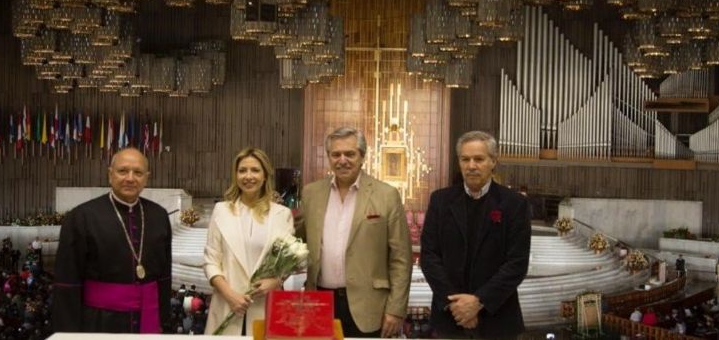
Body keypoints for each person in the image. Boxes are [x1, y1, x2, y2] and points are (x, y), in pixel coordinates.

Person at [297, 127, 412, 338]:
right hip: (320, 301)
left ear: (362, 157)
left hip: (369, 306)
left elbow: (401, 258)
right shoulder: (311, 193)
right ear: (329, 158)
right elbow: (296, 241)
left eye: (350, 154)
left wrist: (396, 309)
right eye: (336, 154)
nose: (342, 160)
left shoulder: (386, 195)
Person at [420, 131, 531, 339]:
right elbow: (429, 257)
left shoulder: (515, 204)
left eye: (479, 159)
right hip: (449, 319)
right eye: (465, 159)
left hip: (497, 318)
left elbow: (517, 263)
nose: (471, 165)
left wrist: (478, 301)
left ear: (493, 161)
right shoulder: (440, 201)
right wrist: (456, 305)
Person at [52, 147, 172, 333]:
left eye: (138, 172)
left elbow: (164, 276)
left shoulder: (159, 215)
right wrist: (68, 333)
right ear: (110, 174)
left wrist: (165, 322)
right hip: (98, 321)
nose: (130, 178)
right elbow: (67, 282)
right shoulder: (82, 217)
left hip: (148, 318)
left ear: (146, 177)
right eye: (123, 171)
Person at [204, 147, 294, 335]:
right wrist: (230, 295)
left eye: (255, 170)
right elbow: (211, 261)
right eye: (242, 170)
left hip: (266, 305)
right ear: (235, 175)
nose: (248, 176)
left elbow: (286, 262)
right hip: (227, 305)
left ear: (264, 175)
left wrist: (275, 280)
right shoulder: (221, 211)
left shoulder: (282, 214)